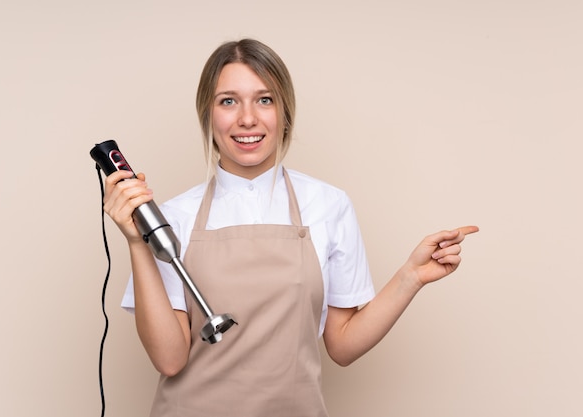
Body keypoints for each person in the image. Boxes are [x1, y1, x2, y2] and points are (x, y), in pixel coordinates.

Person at [103, 38, 478, 417]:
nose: (247, 118)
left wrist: (410, 277)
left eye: (264, 100)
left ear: (284, 113)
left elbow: (342, 345)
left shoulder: (328, 205)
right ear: (207, 114)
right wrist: (137, 242)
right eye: (228, 101)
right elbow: (169, 359)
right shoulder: (172, 218)